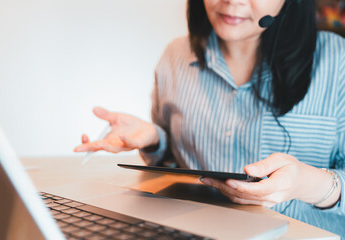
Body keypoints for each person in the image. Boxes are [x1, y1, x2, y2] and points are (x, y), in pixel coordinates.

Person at [75, 0, 345, 236]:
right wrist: (154, 140)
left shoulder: (337, 61)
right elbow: (174, 165)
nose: (232, 1)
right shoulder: (175, 58)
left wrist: (308, 183)